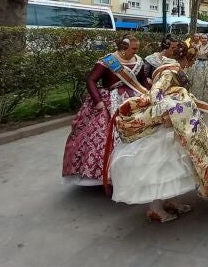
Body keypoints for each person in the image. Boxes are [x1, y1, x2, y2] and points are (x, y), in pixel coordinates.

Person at [109, 42, 208, 222]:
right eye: (190, 61)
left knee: (172, 167)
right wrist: (170, 112)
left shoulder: (172, 67)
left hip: (174, 124)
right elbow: (156, 94)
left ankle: (171, 200)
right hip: (166, 125)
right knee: (161, 167)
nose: (191, 65)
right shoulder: (171, 70)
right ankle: (155, 208)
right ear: (186, 58)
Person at [62, 35, 148, 186]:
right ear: (123, 48)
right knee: (105, 137)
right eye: (133, 48)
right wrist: (98, 101)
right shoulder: (107, 61)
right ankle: (107, 175)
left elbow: (142, 82)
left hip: (136, 102)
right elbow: (91, 80)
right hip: (110, 103)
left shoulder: (138, 60)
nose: (136, 51)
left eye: (137, 48)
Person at [188, 33, 208, 106]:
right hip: (197, 66)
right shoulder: (197, 47)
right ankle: (196, 100)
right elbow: (193, 56)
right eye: (202, 38)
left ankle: (205, 102)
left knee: (205, 83)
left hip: (206, 66)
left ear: (207, 39)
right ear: (200, 39)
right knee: (196, 83)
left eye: (205, 38)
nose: (203, 39)